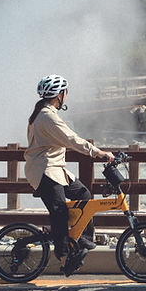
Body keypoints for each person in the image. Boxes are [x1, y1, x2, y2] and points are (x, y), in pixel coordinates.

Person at [24, 74, 114, 271]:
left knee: (84, 195)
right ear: (59, 95)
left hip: (55, 168)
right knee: (60, 212)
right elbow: (71, 139)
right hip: (44, 170)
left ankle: (81, 239)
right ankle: (64, 258)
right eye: (66, 92)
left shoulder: (45, 112)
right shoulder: (47, 116)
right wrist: (97, 152)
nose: (67, 95)